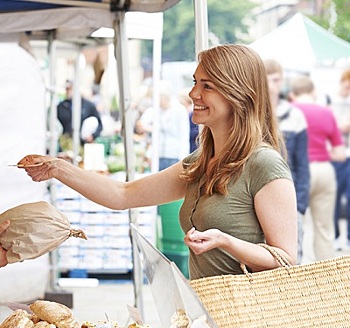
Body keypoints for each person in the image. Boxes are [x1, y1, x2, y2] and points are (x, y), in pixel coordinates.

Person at [10, 44, 297, 279]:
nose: (193, 93)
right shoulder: (199, 163)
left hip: (249, 324)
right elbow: (123, 195)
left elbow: (286, 260)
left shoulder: (264, 164)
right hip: (209, 314)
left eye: (207, 86)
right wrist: (57, 168)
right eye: (196, 82)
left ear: (238, 94)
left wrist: (226, 241)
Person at [289, 75, 346, 261]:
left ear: (292, 94)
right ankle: (326, 277)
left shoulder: (289, 112)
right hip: (324, 170)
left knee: (294, 227)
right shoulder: (326, 112)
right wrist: (321, 152)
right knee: (324, 229)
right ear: (313, 92)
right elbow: (340, 153)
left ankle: (296, 277)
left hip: (297, 173)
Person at [263, 59, 310, 264]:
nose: (276, 85)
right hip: (260, 197)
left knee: (290, 260)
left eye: (279, 80)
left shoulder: (295, 115)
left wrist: (300, 205)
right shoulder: (252, 115)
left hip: (289, 197)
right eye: (272, 79)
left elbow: (302, 162)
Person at [138, 80, 190, 171]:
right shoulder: (153, 110)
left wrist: (183, 159)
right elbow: (141, 125)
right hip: (156, 155)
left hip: (174, 156)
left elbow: (184, 135)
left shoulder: (179, 110)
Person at [328, 69, 350, 250]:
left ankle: (348, 237)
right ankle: (335, 236)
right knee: (334, 198)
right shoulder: (329, 101)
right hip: (334, 157)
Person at [57, 80, 103, 147]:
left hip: (83, 144)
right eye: (66, 89)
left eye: (69, 89)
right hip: (66, 143)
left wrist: (93, 136)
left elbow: (99, 124)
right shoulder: (61, 106)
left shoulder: (88, 105)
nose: (67, 91)